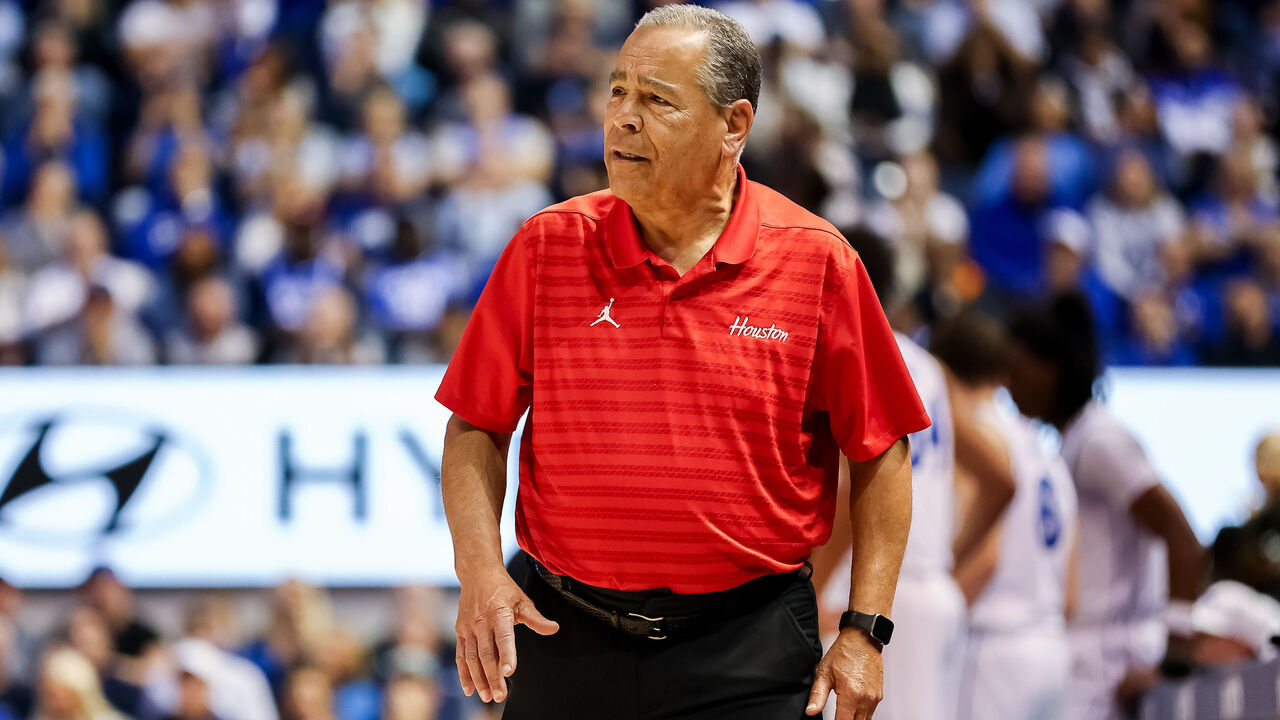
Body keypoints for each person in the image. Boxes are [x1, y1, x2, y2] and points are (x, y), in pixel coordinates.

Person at [436, 5, 930, 719]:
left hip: (749, 649)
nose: (622, 118)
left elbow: (883, 451)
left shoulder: (817, 261)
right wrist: (479, 571)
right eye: (617, 91)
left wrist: (865, 628)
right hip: (564, 632)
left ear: (734, 125)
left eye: (656, 99)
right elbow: (474, 426)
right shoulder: (547, 245)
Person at [812, 227, 1015, 720]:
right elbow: (1000, 478)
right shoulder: (927, 365)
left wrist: (812, 593)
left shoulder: (853, 351)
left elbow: (859, 481)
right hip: (932, 590)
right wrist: (944, 556)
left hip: (875, 592)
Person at [1004, 292, 1204, 720]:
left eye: (1016, 372)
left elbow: (1183, 537)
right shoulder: (1071, 442)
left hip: (1111, 659)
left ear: (1051, 370)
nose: (1009, 386)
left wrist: (1176, 652)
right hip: (1086, 654)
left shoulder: (1101, 442)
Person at [931, 311, 1078, 720]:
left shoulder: (982, 439)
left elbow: (986, 560)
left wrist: (925, 620)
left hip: (994, 646)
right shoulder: (1047, 453)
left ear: (941, 372)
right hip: (1052, 646)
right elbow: (1071, 594)